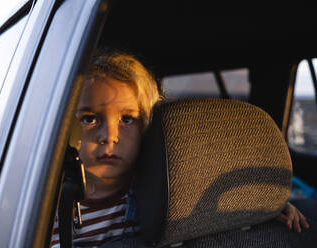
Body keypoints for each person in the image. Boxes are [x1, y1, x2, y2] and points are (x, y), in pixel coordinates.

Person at [50, 49, 309, 247]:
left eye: (127, 119)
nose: (109, 136)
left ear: (148, 128)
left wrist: (263, 206)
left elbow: (210, 217)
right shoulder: (50, 207)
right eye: (89, 119)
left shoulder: (165, 190)